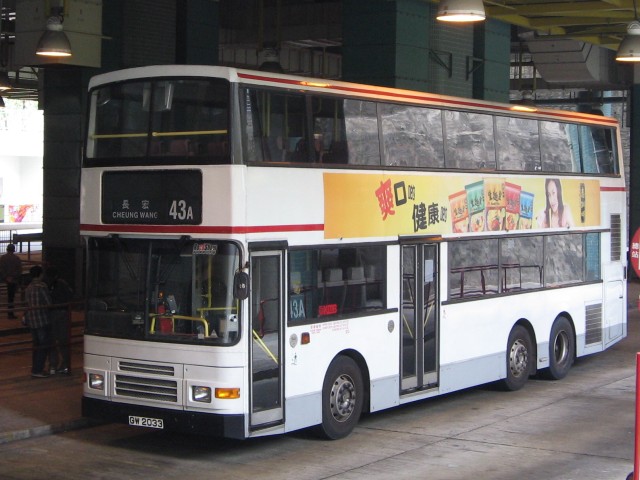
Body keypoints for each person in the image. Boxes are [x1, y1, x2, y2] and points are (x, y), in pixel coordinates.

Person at [24, 265, 52, 378]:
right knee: (43, 345)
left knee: (36, 345)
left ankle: (35, 369)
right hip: (42, 319)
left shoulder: (28, 287)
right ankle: (38, 370)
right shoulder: (42, 286)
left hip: (32, 320)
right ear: (40, 274)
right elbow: (48, 302)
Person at [46, 266, 73, 375]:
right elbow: (70, 295)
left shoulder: (46, 284)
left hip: (52, 313)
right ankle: (65, 364)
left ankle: (53, 365)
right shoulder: (62, 284)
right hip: (62, 312)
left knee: (52, 341)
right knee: (63, 341)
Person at [0, 243, 22, 319]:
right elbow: (19, 270)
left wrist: (6, 277)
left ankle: (10, 313)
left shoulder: (3, 258)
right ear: (13, 250)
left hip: (5, 279)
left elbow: (1, 269)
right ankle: (10, 313)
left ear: (7, 249)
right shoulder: (17, 258)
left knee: (10, 297)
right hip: (14, 280)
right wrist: (13, 277)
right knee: (11, 297)